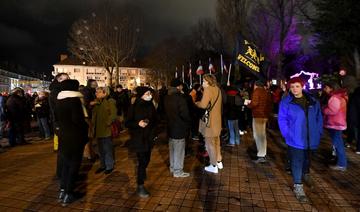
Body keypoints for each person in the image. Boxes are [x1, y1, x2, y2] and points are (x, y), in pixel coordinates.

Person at [278, 77, 323, 202]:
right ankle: (298, 185)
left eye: (297, 86)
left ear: (302, 86)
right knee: (296, 161)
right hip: (295, 138)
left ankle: (305, 173)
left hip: (311, 138)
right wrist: (287, 133)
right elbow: (282, 119)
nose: (294, 89)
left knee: (307, 159)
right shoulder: (286, 102)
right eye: (292, 87)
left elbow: (319, 117)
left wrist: (318, 132)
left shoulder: (313, 101)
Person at [55, 79, 88, 206]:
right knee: (74, 165)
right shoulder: (74, 100)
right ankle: (69, 193)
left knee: (66, 164)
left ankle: (63, 190)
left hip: (63, 136)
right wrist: (85, 129)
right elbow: (78, 120)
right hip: (75, 137)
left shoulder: (59, 100)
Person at [125, 86, 157, 198]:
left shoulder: (151, 105)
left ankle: (142, 174)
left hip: (149, 138)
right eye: (148, 93)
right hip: (138, 138)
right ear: (141, 94)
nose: (150, 95)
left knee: (147, 159)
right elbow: (127, 123)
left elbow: (155, 119)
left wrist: (154, 130)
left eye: (150, 93)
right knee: (142, 161)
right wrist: (137, 124)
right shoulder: (134, 107)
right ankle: (140, 185)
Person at [164, 79, 191, 177]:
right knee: (179, 150)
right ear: (178, 87)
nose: (182, 87)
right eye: (181, 86)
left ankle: (173, 167)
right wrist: (187, 123)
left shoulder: (166, 97)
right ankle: (178, 171)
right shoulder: (180, 99)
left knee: (172, 149)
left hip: (170, 127)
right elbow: (185, 114)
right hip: (179, 128)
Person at [196, 74, 223, 174]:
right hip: (217, 120)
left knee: (209, 143)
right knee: (216, 142)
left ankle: (213, 165)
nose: (203, 83)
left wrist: (197, 103)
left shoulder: (208, 89)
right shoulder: (217, 89)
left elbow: (203, 105)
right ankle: (219, 161)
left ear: (208, 81)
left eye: (204, 81)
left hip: (210, 121)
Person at [322, 82, 348, 171]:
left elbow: (333, 111)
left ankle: (341, 164)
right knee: (338, 143)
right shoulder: (340, 97)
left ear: (331, 88)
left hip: (335, 124)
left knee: (338, 144)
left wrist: (324, 109)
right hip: (338, 123)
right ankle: (339, 161)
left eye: (326, 88)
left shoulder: (334, 98)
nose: (325, 89)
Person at [92, 87, 117, 174]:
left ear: (105, 93)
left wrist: (108, 122)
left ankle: (109, 166)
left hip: (106, 130)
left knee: (107, 149)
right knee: (101, 150)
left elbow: (114, 114)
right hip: (98, 130)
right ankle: (103, 165)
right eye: (96, 92)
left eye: (98, 92)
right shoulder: (97, 102)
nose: (96, 93)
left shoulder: (110, 101)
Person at [247, 80, 273, 163]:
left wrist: (248, 105)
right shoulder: (267, 92)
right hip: (265, 115)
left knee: (258, 136)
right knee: (262, 135)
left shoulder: (257, 91)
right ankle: (262, 152)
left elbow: (254, 103)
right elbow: (270, 104)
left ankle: (261, 155)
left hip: (258, 115)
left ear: (256, 85)